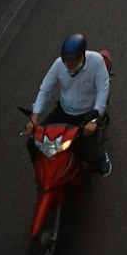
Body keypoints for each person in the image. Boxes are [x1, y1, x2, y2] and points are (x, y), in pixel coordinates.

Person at [26, 34, 111, 177]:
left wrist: (94, 119)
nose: (69, 66)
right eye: (67, 62)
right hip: (64, 111)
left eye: (73, 62)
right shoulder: (59, 64)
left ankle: (102, 157)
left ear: (83, 55)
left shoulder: (96, 62)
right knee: (32, 142)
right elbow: (45, 90)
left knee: (89, 152)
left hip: (87, 114)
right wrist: (35, 116)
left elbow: (103, 90)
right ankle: (42, 171)